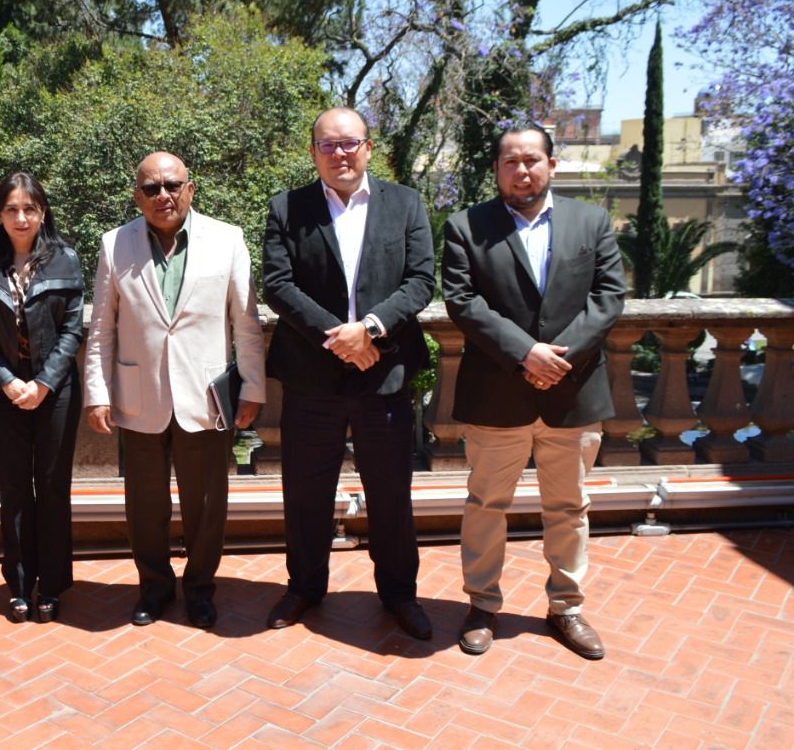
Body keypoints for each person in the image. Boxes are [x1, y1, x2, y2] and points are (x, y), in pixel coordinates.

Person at [441, 123, 625, 660]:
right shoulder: (466, 226)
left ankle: (566, 607)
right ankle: (482, 605)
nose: (522, 171)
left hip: (572, 392)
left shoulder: (591, 221)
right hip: (497, 393)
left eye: (532, 160)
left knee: (569, 507)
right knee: (485, 505)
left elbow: (609, 297)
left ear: (551, 165)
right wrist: (526, 353)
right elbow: (462, 301)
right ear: (496, 169)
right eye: (511, 162)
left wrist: (558, 359)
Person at [262, 107, 435, 639]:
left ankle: (400, 594)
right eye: (328, 144)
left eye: (349, 143)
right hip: (312, 377)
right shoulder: (287, 208)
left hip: (384, 373)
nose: (339, 153)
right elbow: (278, 284)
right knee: (305, 492)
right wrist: (340, 338)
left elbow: (421, 280)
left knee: (391, 492)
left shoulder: (405, 203)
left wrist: (372, 330)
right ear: (312, 151)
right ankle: (304, 587)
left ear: (368, 148)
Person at [83, 151, 266, 629]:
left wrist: (252, 387)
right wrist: (97, 392)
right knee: (145, 506)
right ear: (137, 196)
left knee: (206, 505)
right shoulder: (114, 244)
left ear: (190, 189)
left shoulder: (227, 239)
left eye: (171, 185)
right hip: (138, 396)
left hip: (206, 398)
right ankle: (155, 588)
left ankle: (201, 588)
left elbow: (246, 322)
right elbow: (101, 327)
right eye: (151, 188)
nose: (162, 195)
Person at [0, 172, 84, 624]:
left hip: (56, 391)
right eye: (12, 209)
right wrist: (5, 380)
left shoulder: (65, 259)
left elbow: (72, 328)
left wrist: (44, 382)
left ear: (42, 212)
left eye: (29, 208)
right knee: (13, 489)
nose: (21, 217)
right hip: (4, 393)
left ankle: (51, 585)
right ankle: (17, 584)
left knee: (52, 488)